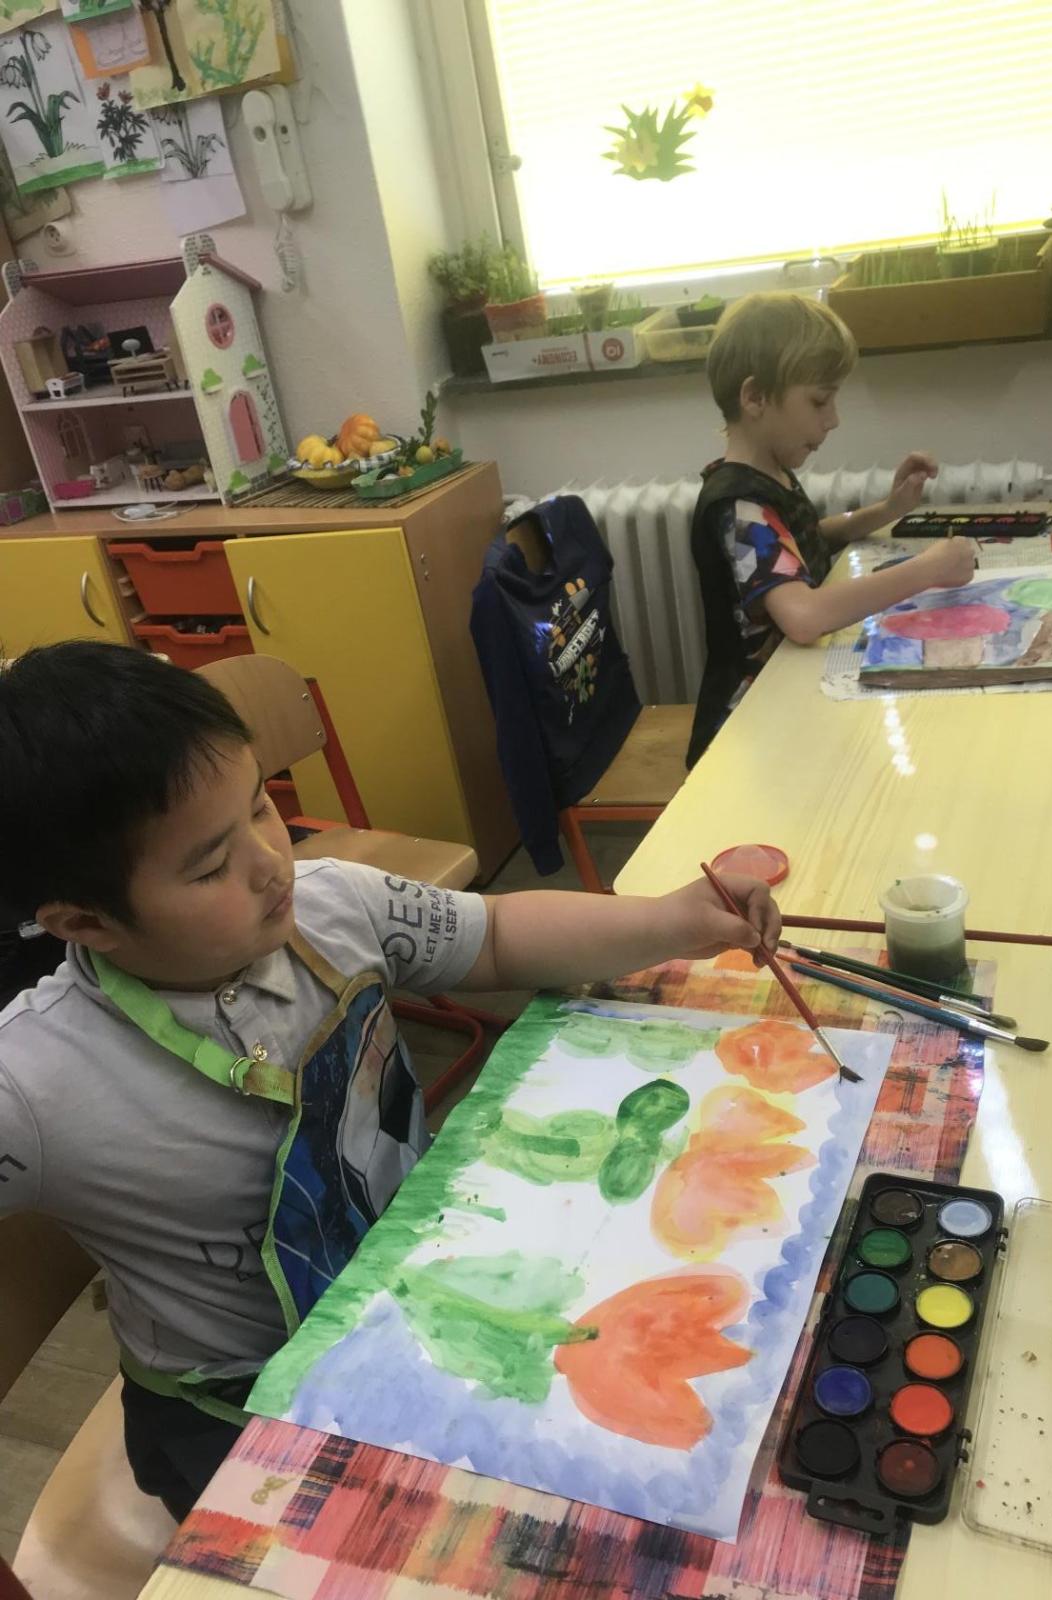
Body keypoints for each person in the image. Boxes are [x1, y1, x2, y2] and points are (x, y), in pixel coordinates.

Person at [0, 642, 781, 1521]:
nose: (271, 862)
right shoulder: (35, 1080)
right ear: (85, 922)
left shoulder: (333, 905)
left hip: (418, 1288)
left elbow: (497, 937)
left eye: (261, 806)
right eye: (211, 866)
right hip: (242, 1408)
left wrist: (670, 921)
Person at [687, 291, 976, 766]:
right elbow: (803, 617)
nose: (834, 419)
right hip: (752, 726)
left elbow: (804, 538)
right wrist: (929, 569)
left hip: (792, 690)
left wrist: (889, 508)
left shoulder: (767, 476)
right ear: (755, 397)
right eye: (820, 400)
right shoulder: (740, 505)